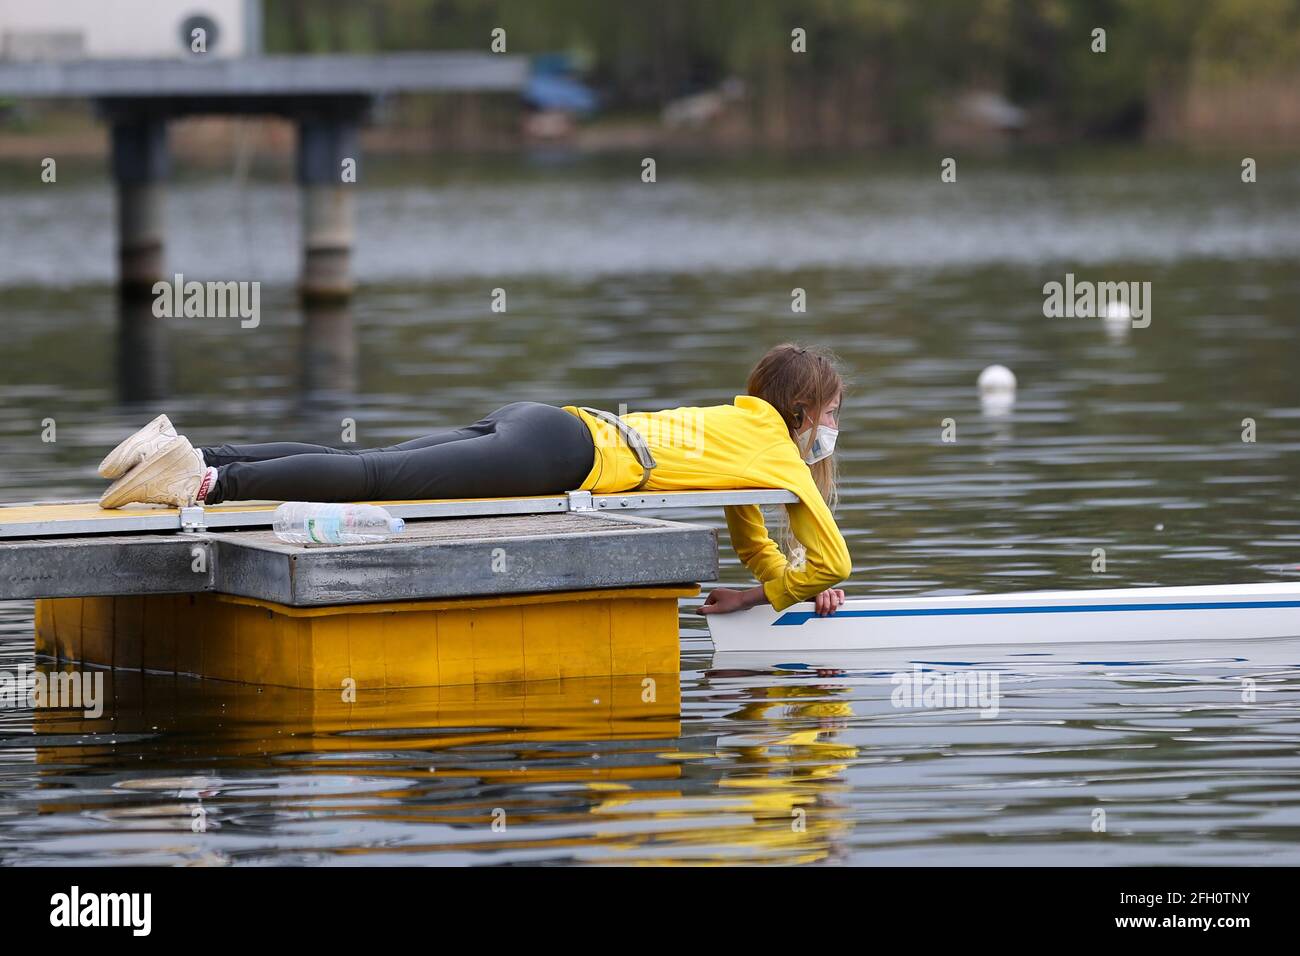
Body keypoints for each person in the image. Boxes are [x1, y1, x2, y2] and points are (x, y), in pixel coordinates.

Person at [96, 343, 851, 615]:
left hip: (549, 421)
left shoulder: (740, 425)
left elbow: (750, 526)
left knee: (374, 463)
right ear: (803, 408)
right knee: (376, 479)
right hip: (558, 458)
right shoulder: (782, 455)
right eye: (832, 413)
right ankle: (203, 484)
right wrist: (782, 591)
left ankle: (193, 450)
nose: (832, 431)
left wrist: (772, 578)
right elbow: (837, 561)